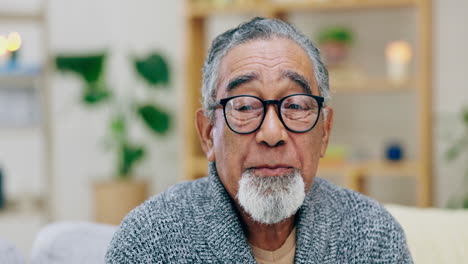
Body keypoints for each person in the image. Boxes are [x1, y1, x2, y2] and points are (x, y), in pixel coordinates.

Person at [106, 17, 413, 263]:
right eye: (244, 106)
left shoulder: (372, 236)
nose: (271, 134)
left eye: (294, 106)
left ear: (325, 132)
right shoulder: (149, 241)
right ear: (208, 133)